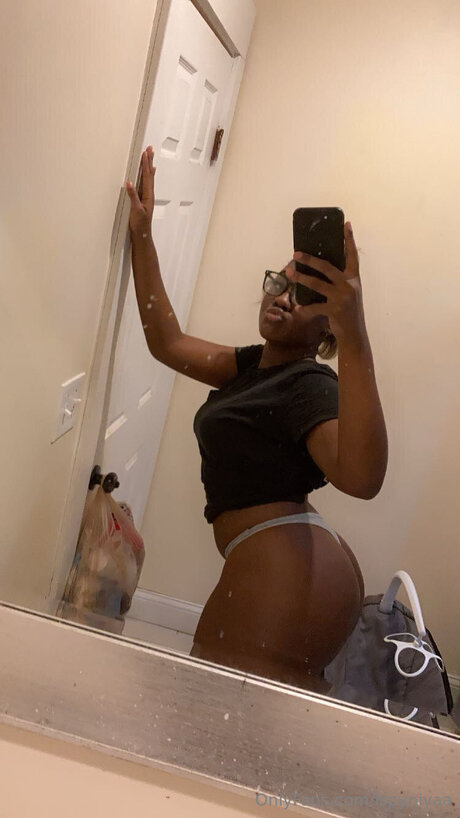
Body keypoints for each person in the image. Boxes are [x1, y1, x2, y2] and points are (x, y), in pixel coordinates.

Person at [125, 146, 388, 693]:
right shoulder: (254, 365)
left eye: (307, 295)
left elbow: (363, 479)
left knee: (209, 717)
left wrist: (356, 332)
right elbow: (166, 342)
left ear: (328, 329)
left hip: (284, 570)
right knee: (233, 722)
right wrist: (143, 235)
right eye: (281, 282)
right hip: (285, 559)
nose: (285, 298)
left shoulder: (308, 384)